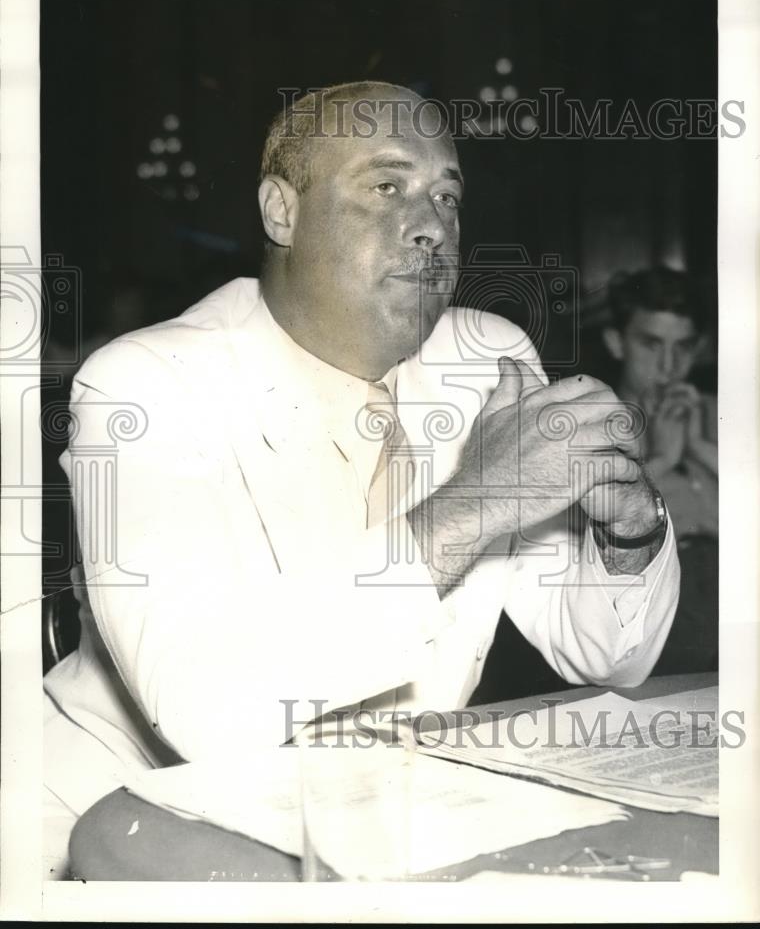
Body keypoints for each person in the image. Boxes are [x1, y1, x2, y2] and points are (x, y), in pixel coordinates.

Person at [43, 81, 679, 878]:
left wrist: (629, 535)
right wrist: (476, 502)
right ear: (282, 211)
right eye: (387, 186)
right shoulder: (143, 382)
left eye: (448, 195)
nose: (432, 227)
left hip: (387, 819)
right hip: (121, 824)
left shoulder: (488, 359)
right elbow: (208, 714)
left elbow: (604, 656)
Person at [602, 266, 717, 674]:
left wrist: (702, 448)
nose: (668, 365)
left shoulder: (723, 412)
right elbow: (591, 538)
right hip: (653, 609)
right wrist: (665, 458)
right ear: (617, 343)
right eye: (651, 345)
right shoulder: (592, 422)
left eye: (683, 347)